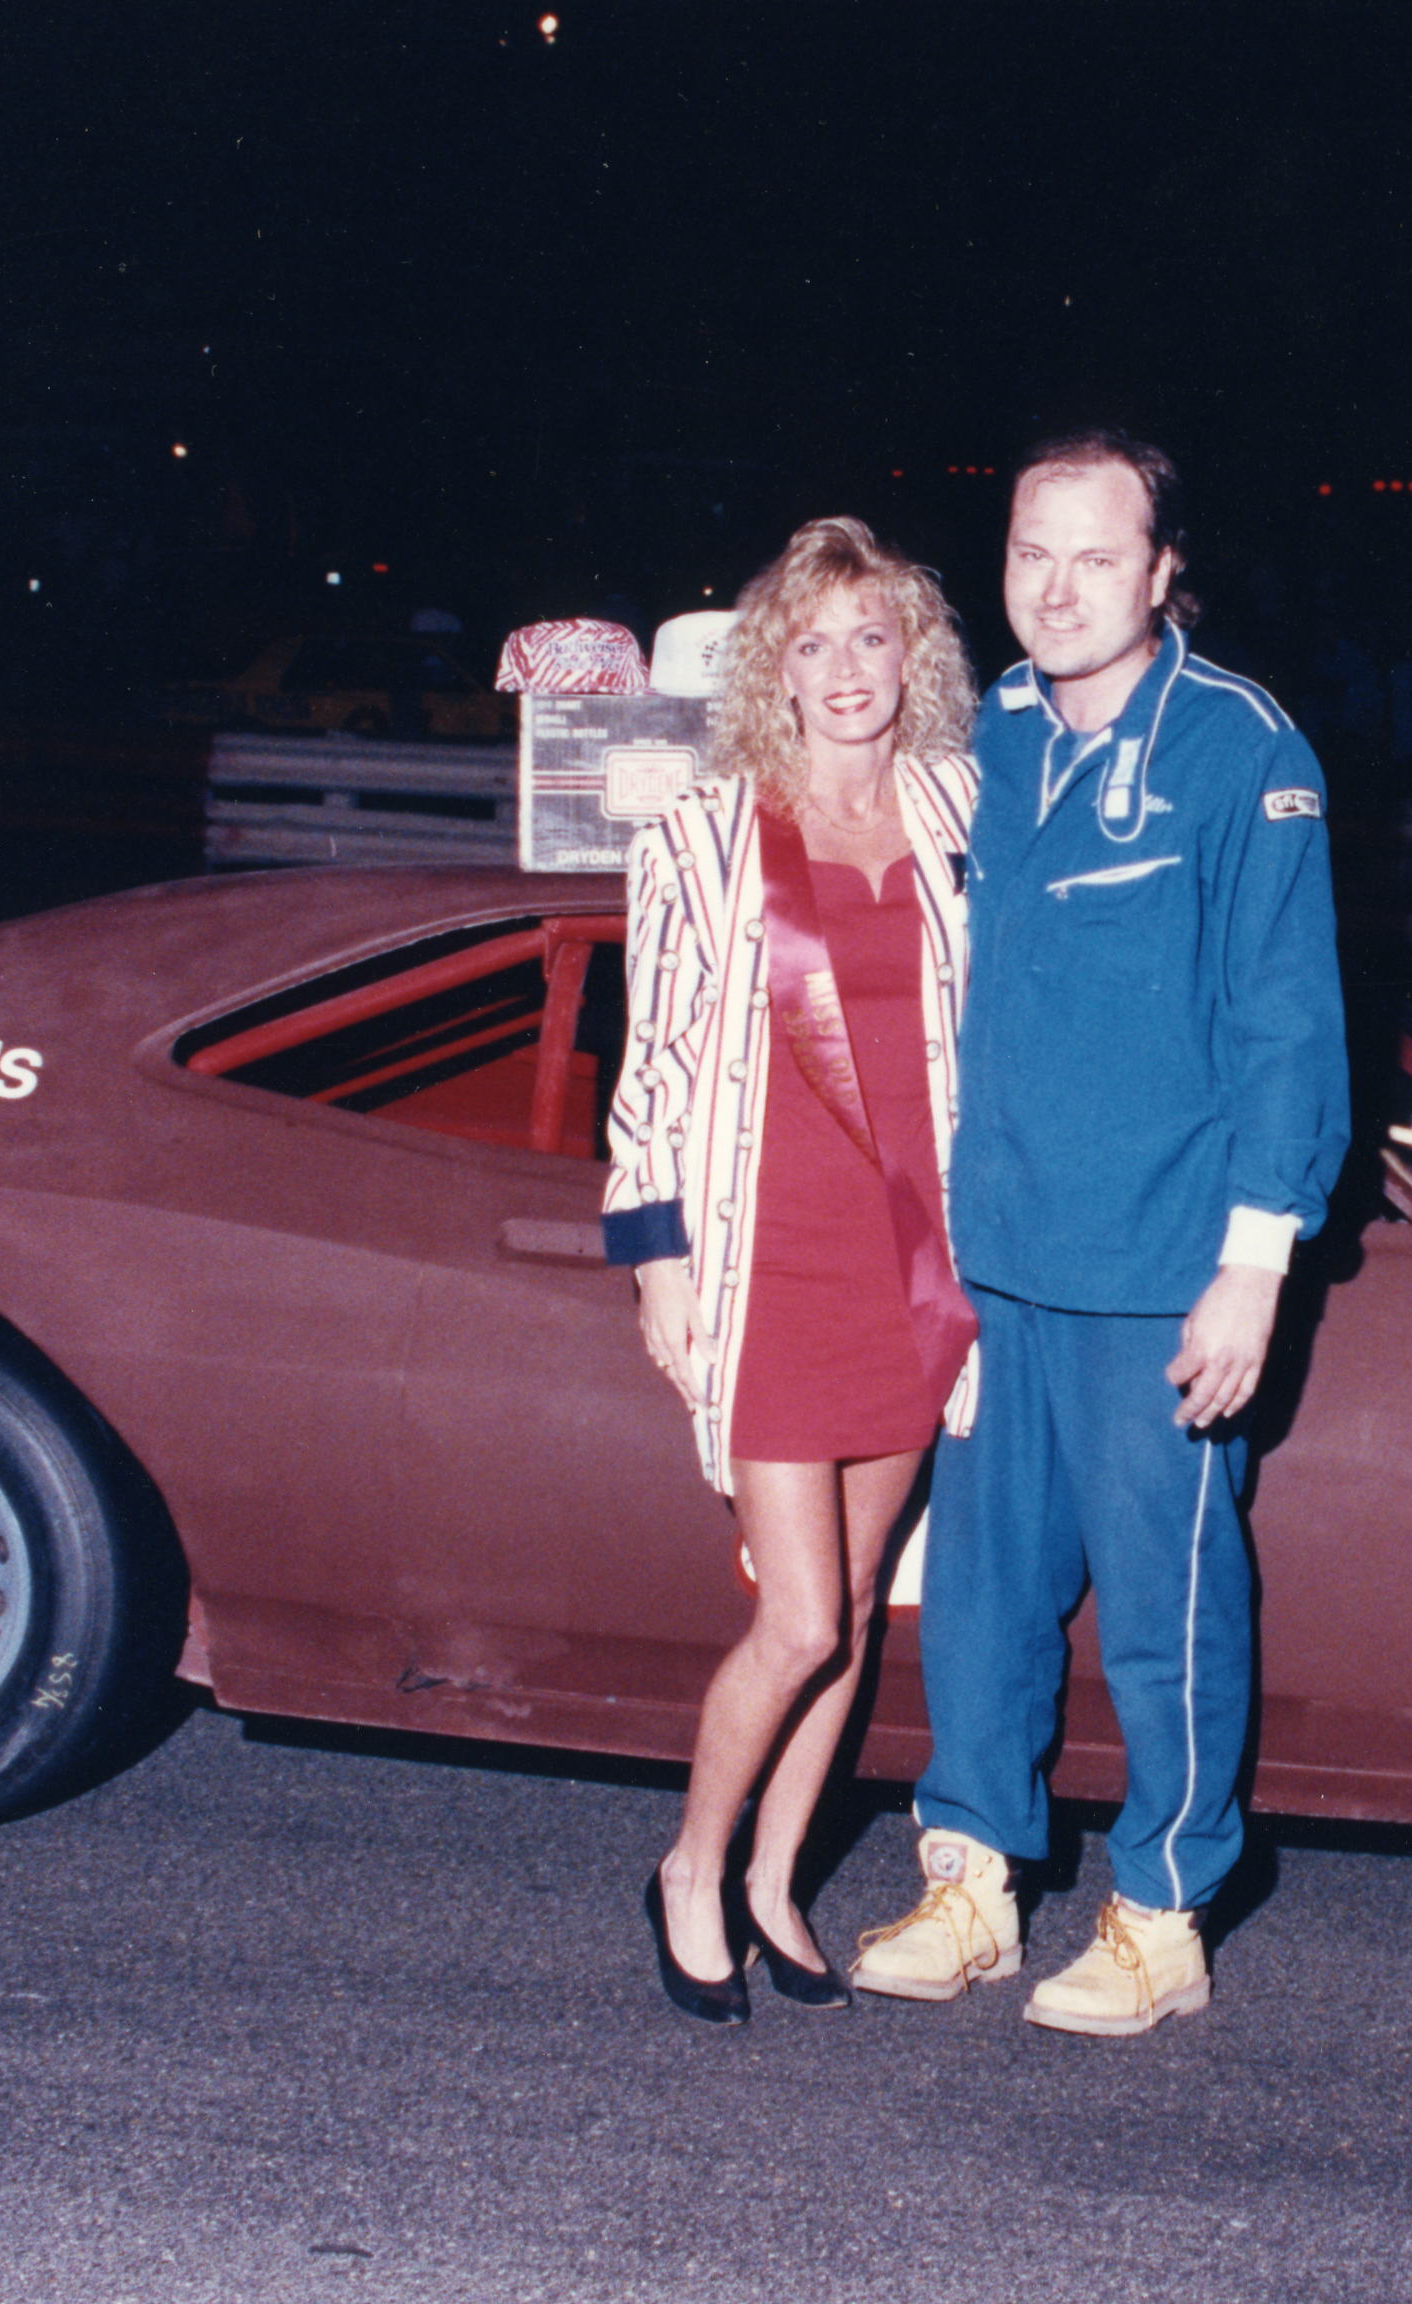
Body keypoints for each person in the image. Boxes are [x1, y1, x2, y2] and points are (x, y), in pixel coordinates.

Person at [849, 430, 1350, 2036]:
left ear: (1160, 573)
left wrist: (1253, 1266)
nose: (1056, 589)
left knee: (1163, 1615)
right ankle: (973, 1879)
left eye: (1095, 556)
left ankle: (1161, 1911)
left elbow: (1287, 1027)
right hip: (993, 1259)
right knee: (980, 1601)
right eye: (1029, 552)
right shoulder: (984, 732)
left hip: (1158, 1270)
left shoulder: (1240, 749)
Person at [601, 517, 983, 2025]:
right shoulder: (704, 831)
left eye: (871, 636)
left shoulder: (964, 807)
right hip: (771, 1266)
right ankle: (690, 1867)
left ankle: (775, 1881)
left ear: (914, 656)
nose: (844, 670)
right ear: (773, 667)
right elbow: (650, 1064)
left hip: (920, 1271)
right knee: (803, 1618)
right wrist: (657, 1262)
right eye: (812, 643)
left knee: (865, 1600)